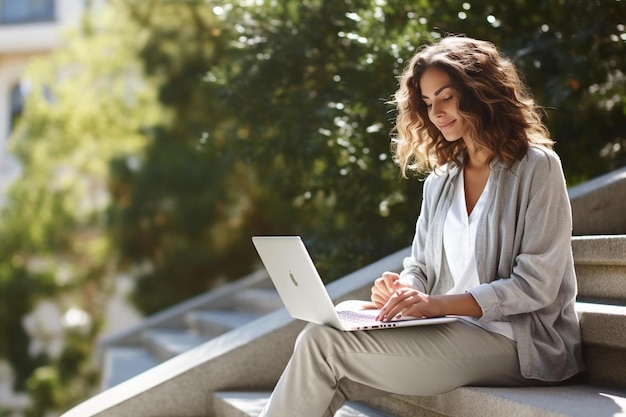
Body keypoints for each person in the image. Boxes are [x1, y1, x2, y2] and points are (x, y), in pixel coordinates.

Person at [258, 35, 585, 417]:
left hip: (517, 340)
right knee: (335, 335)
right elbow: (421, 268)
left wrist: (435, 305)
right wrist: (403, 290)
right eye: (428, 103)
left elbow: (537, 285)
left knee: (320, 345)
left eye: (446, 97)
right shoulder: (441, 180)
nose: (437, 112)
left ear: (480, 92)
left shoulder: (537, 167)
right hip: (451, 326)